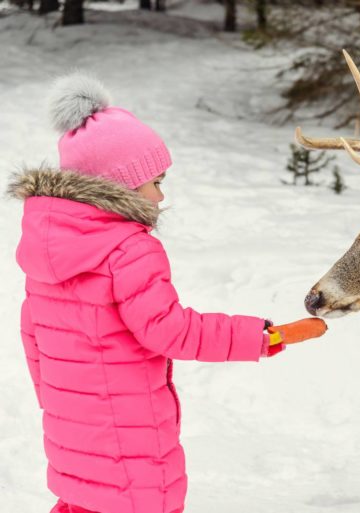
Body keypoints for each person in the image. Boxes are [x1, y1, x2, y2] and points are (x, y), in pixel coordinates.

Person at [8, 74, 327, 513]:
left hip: (73, 432)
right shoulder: (129, 249)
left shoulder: (45, 247)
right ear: (120, 185)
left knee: (83, 503)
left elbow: (34, 340)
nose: (160, 196)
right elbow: (169, 331)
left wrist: (63, 408)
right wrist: (259, 336)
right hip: (129, 434)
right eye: (155, 182)